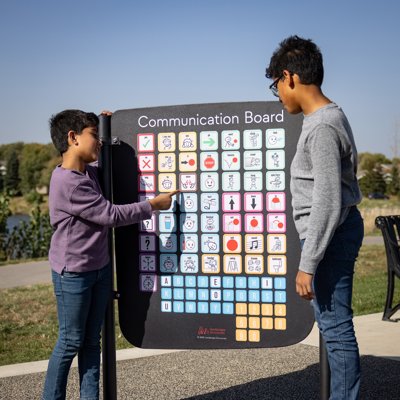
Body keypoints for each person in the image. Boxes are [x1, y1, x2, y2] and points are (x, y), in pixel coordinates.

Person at [42, 109, 178, 400]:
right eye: (94, 135)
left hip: (100, 268)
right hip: (73, 274)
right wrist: (153, 205)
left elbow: (102, 163)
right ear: (72, 137)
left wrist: (105, 123)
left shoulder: (88, 172)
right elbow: (110, 215)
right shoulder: (67, 182)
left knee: (92, 342)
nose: (99, 142)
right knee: (70, 341)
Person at [266, 36, 364, 400]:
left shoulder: (322, 126)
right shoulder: (325, 118)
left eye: (275, 83)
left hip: (330, 236)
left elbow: (327, 201)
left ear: (289, 77)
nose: (277, 93)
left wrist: (308, 263)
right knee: (335, 327)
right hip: (335, 233)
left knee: (336, 331)